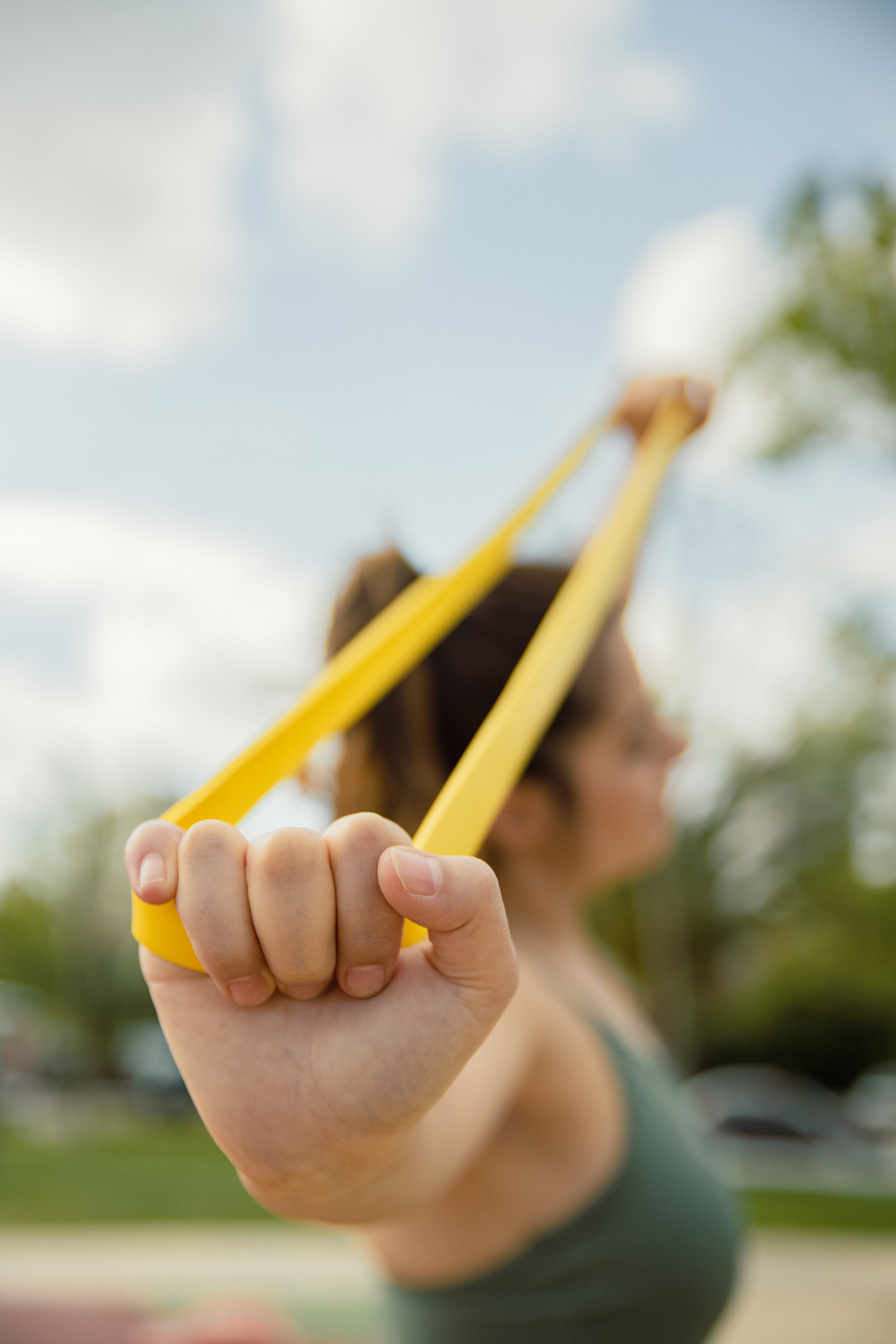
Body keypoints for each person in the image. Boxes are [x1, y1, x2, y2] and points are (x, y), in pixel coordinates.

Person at [125, 377, 741, 1344]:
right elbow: (393, 1153)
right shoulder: (505, 1008)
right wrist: (322, 1152)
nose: (678, 744)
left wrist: (646, 458)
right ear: (526, 812)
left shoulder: (566, 961)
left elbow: (583, 641)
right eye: (634, 738)